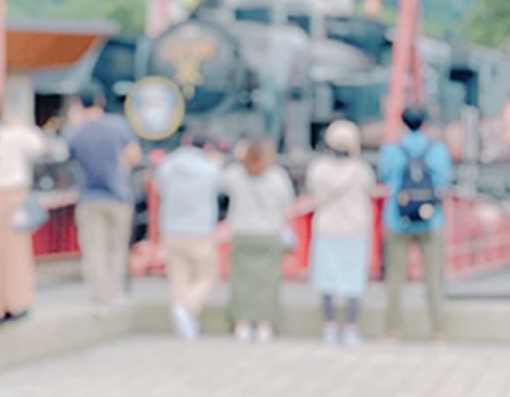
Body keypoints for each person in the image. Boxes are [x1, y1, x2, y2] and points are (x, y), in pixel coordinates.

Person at [0, 95, 65, 323]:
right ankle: (15, 300)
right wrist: (20, 125)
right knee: (15, 252)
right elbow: (40, 145)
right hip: (13, 197)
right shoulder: (15, 136)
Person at [64, 83, 142, 314]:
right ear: (100, 102)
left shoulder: (76, 132)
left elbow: (67, 157)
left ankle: (99, 296)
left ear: (79, 105)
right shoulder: (118, 126)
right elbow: (133, 157)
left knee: (93, 249)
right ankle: (113, 292)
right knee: (116, 247)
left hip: (89, 197)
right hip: (119, 196)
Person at [379, 106, 452, 341]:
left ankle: (393, 328)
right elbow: (443, 179)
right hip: (431, 218)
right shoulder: (437, 150)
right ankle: (438, 329)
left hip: (397, 218)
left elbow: (385, 176)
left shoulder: (391, 149)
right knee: (433, 277)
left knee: (395, 277)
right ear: (424, 123)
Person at [306, 120, 376, 345]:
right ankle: (351, 328)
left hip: (327, 228)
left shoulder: (318, 169)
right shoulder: (361, 170)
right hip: (354, 229)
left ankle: (329, 326)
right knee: (353, 281)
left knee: (326, 280)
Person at [221, 137, 295, 342]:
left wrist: (240, 155)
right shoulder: (277, 176)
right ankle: (265, 324)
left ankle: (242, 324)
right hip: (269, 234)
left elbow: (222, 183)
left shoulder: (236, 174)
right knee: (268, 282)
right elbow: (287, 202)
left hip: (243, 234)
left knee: (241, 281)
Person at [154, 129, 221, 339]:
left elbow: (159, 187)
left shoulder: (167, 165)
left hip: (172, 228)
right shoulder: (210, 168)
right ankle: (189, 308)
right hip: (200, 230)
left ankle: (183, 317)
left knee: (179, 277)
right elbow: (220, 188)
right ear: (206, 148)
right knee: (208, 275)